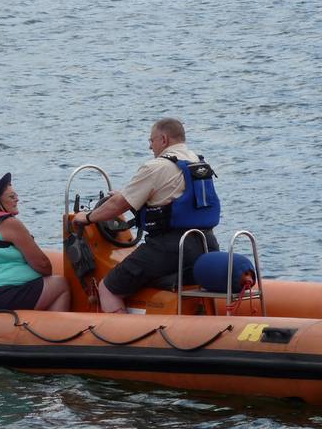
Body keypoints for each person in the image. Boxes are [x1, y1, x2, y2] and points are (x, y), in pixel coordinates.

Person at [72, 118, 220, 313]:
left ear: (164, 139)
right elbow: (171, 199)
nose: (150, 147)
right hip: (206, 244)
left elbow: (118, 205)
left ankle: (121, 337)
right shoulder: (197, 162)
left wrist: (88, 217)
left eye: (151, 141)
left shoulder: (157, 166)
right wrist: (129, 198)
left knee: (108, 289)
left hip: (169, 247)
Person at [0, 172, 70, 313]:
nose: (17, 199)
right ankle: (54, 332)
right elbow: (43, 265)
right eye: (11, 196)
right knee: (60, 285)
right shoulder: (9, 224)